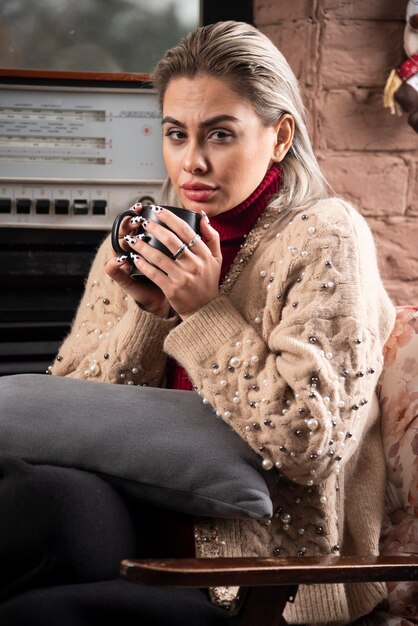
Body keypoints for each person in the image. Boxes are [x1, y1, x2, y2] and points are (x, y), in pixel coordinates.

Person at [0, 20, 396, 626]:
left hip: (249, 566)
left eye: (219, 134)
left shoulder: (325, 238)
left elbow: (310, 442)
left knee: (35, 612)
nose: (193, 162)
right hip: (127, 513)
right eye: (176, 134)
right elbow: (73, 418)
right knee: (29, 501)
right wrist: (148, 316)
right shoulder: (153, 235)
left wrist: (203, 313)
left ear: (280, 135)